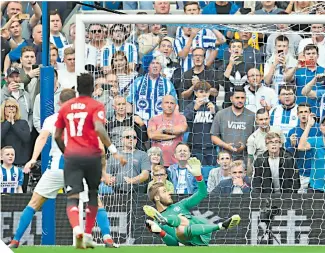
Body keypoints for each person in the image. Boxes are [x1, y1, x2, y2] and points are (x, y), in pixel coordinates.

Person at [8, 89, 118, 248]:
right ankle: (107, 237)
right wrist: (102, 171)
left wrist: (32, 159)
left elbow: (42, 137)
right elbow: (100, 148)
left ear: (59, 103)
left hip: (56, 169)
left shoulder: (53, 119)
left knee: (34, 203)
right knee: (96, 202)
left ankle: (16, 240)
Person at [54, 73, 126, 249]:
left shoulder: (66, 107)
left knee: (72, 197)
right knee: (93, 194)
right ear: (93, 88)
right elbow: (99, 128)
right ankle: (87, 233)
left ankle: (77, 229)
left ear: (77, 88)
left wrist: (67, 152)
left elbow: (57, 136)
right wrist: (114, 150)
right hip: (93, 155)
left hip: (72, 156)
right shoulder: (96, 105)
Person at [143, 157, 241, 246]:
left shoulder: (181, 204)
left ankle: (219, 226)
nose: (169, 193)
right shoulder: (156, 222)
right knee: (180, 229)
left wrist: (198, 176)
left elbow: (202, 193)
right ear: (157, 198)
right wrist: (160, 232)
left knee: (181, 219)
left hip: (201, 232)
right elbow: (174, 245)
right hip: (188, 241)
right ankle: (220, 226)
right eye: (164, 191)